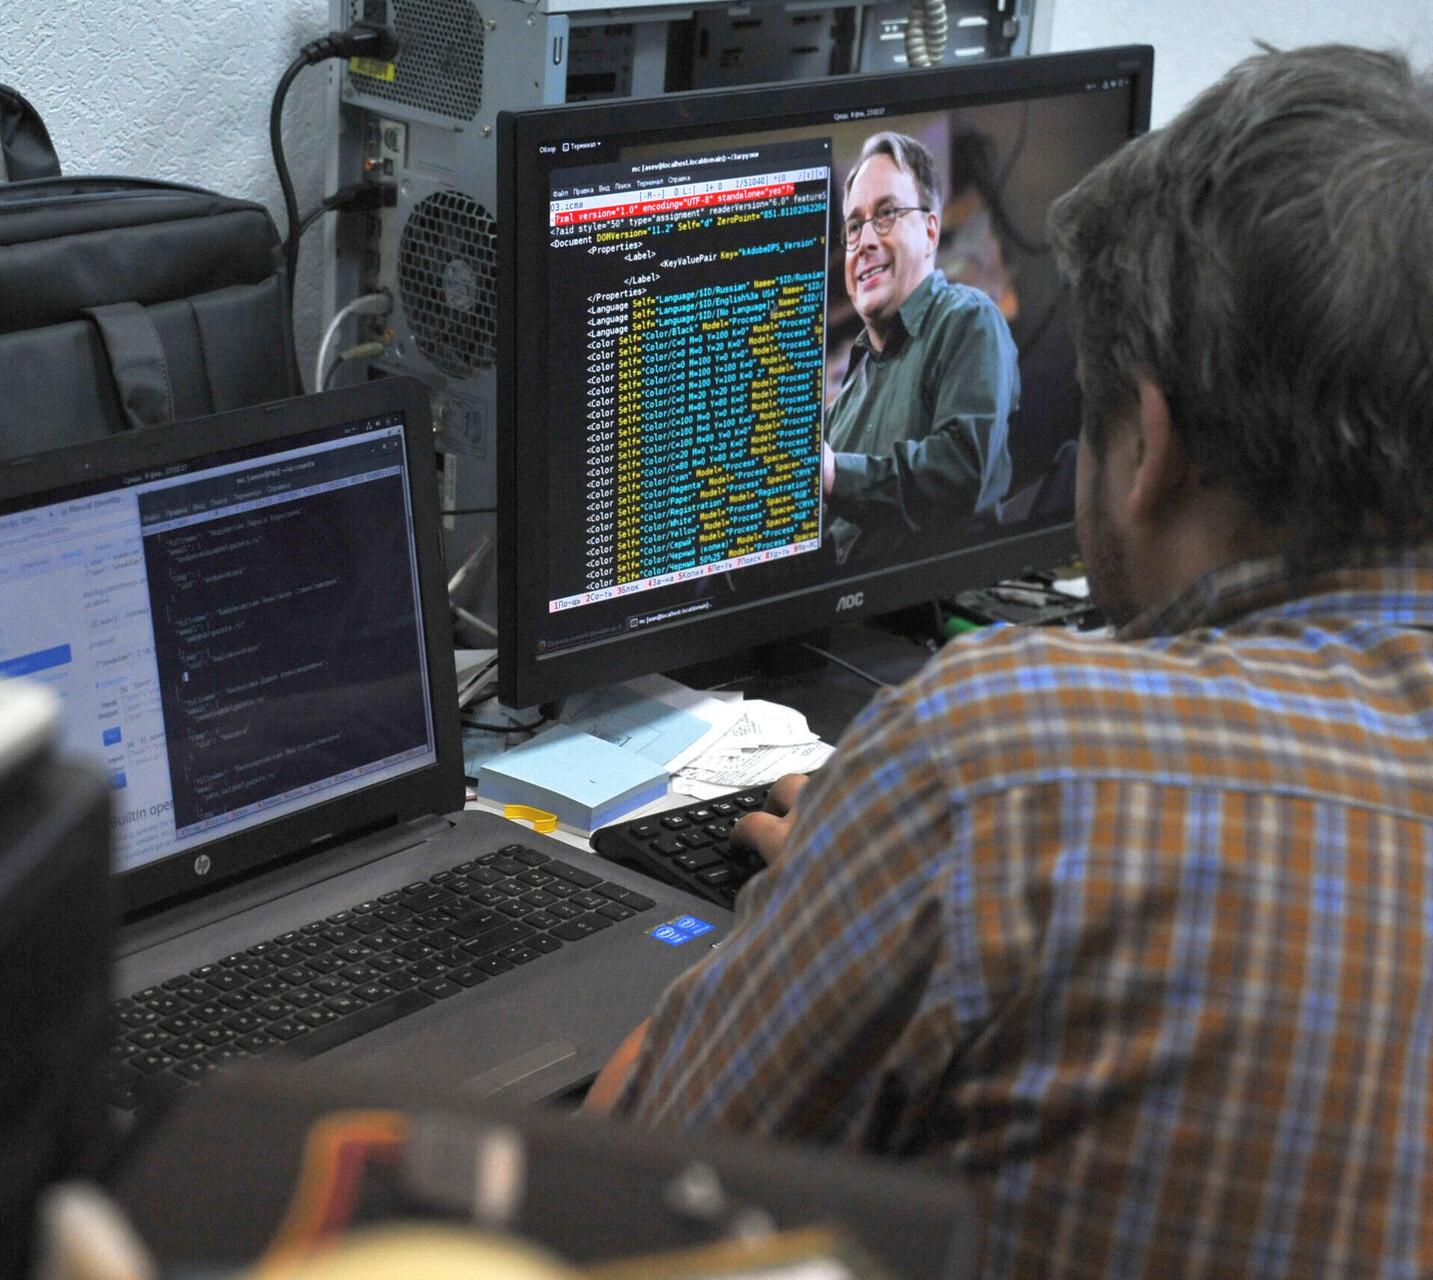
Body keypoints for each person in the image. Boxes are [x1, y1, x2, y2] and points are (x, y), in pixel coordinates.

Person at [593, 45, 1433, 1279]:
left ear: (1149, 444)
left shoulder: (1001, 762)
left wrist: (842, 883)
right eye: (852, 221)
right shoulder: (858, 365)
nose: (863, 241)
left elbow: (619, 1186)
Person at [822, 131, 1019, 566]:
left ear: (931, 232)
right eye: (853, 227)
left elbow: (961, 473)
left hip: (934, 597)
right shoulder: (842, 403)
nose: (864, 242)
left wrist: (836, 475)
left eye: (886, 214)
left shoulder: (969, 320)